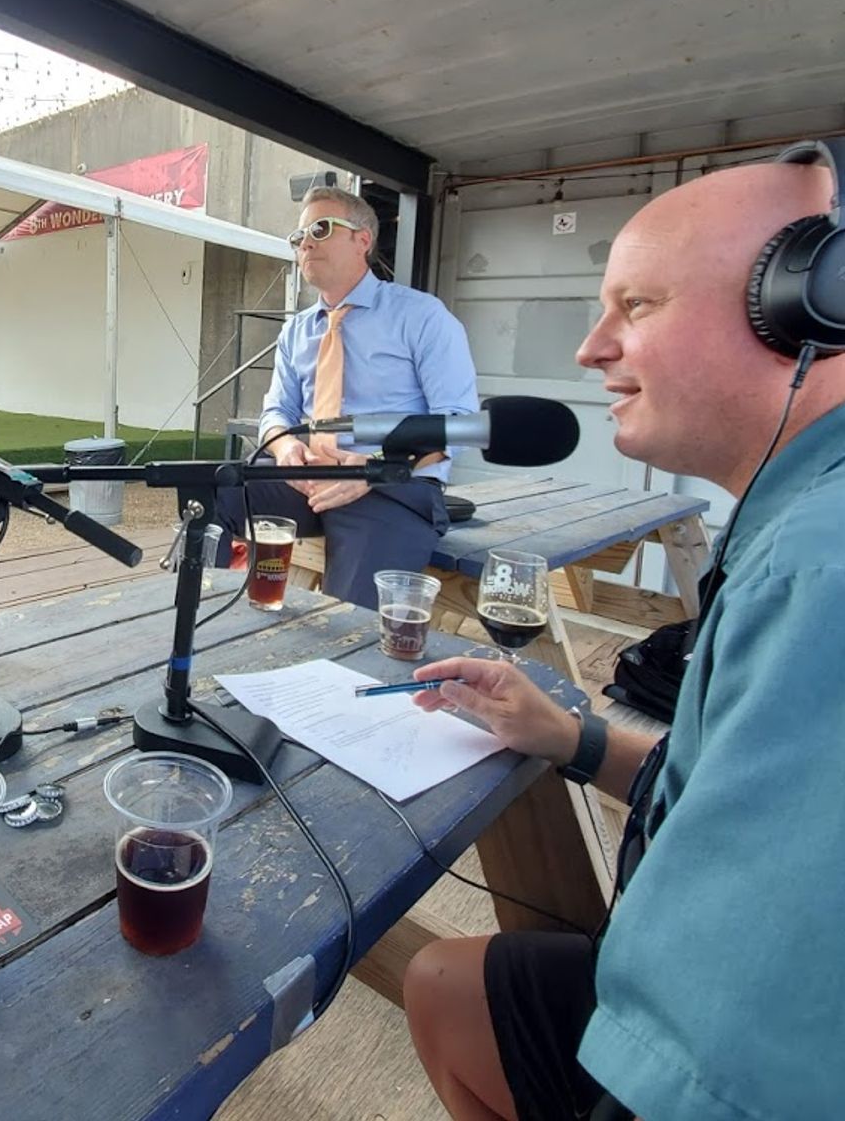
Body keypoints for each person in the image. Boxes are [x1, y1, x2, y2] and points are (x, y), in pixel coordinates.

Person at [401, 153, 845, 1121]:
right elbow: (715, 780)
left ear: (806, 307)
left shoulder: (819, 567)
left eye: (634, 305)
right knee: (446, 984)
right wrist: (573, 736)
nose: (589, 348)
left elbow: (739, 1063)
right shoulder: (796, 518)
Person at [218, 185, 479, 608]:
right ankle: (203, 624)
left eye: (320, 229)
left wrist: (377, 465)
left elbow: (461, 423)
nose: (304, 242)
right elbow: (276, 411)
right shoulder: (297, 330)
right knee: (209, 494)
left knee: (348, 614)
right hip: (306, 478)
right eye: (298, 236)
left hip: (390, 486)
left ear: (363, 239)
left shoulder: (422, 316)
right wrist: (285, 449)